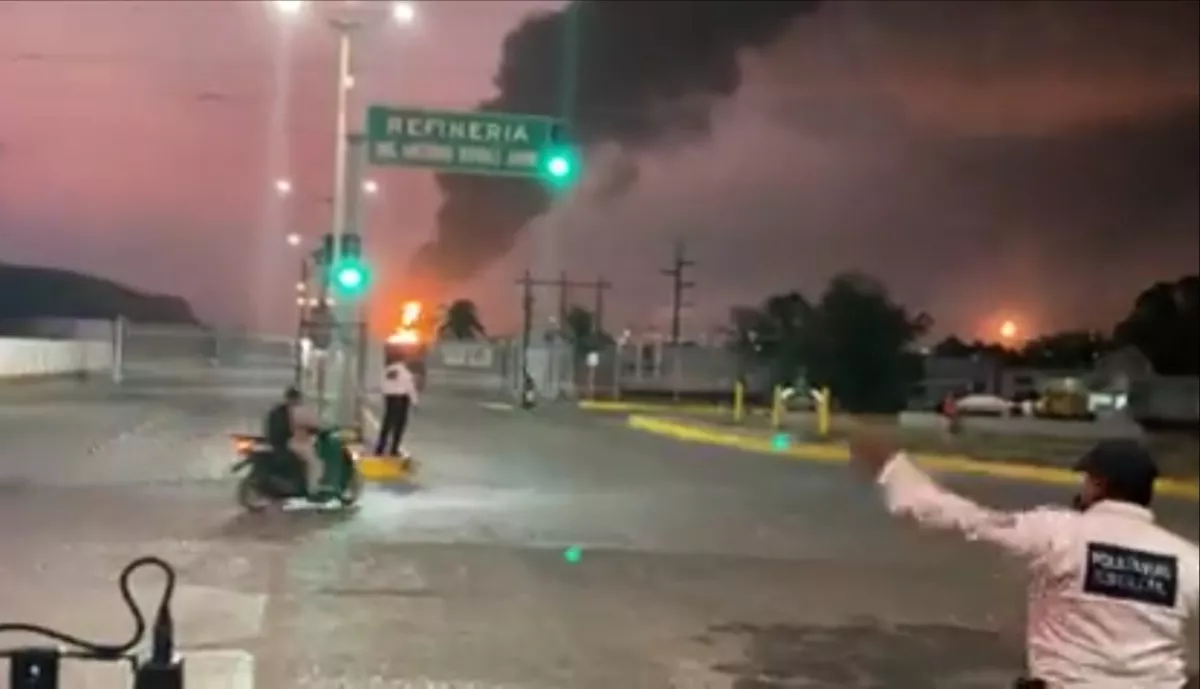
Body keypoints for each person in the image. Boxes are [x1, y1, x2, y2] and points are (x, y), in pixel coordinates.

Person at [849, 434, 1199, 688]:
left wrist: (895, 470)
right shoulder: (1187, 560)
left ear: (1098, 483)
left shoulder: (1058, 533)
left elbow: (961, 520)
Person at [265, 386, 325, 495]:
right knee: (315, 463)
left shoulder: (279, 410)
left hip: (283, 442)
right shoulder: (297, 411)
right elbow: (314, 424)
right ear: (296, 398)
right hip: (295, 443)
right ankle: (312, 489)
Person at [376, 348, 418, 457]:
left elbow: (382, 385)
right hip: (401, 399)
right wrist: (414, 401)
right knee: (399, 425)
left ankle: (380, 448)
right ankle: (394, 449)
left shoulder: (387, 371)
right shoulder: (404, 372)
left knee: (387, 424)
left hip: (389, 399)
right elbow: (410, 387)